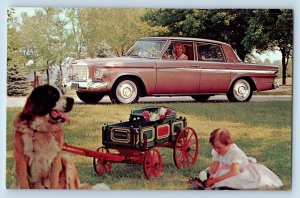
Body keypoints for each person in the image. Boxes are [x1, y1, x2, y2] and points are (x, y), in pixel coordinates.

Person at [194, 128, 283, 190]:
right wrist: (209, 174)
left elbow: (234, 172)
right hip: (227, 168)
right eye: (214, 147)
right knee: (216, 175)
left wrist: (215, 179)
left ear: (228, 143)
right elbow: (214, 167)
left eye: (218, 147)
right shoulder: (218, 151)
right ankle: (208, 183)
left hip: (239, 170)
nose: (216, 150)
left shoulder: (235, 153)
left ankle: (222, 186)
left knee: (234, 179)